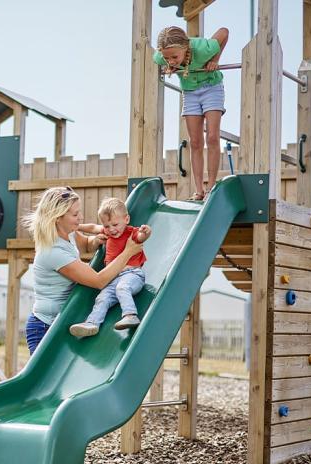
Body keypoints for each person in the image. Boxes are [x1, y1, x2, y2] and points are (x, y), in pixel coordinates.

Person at [22, 187, 144, 355]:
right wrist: (128, 252)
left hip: (63, 319)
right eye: (74, 214)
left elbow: (85, 243)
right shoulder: (53, 252)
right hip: (45, 326)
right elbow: (99, 281)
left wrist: (95, 241)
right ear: (58, 217)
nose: (80, 217)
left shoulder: (69, 233)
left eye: (79, 212)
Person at [154, 25, 229, 200]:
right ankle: (199, 190)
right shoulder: (161, 57)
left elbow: (224, 32)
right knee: (194, 141)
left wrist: (215, 59)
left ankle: (211, 186)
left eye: (174, 57)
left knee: (212, 137)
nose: (171, 60)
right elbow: (160, 59)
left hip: (211, 88)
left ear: (186, 47)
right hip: (190, 93)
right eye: (167, 58)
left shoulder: (203, 48)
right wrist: (170, 66)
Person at [70, 197, 151, 338]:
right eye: (107, 226)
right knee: (102, 298)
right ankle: (92, 323)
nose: (111, 230)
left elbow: (141, 237)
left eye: (115, 224)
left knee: (122, 288)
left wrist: (145, 232)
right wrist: (77, 227)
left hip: (132, 275)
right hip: (113, 279)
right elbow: (93, 228)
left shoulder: (130, 233)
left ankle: (130, 315)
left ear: (126, 219)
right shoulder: (107, 232)